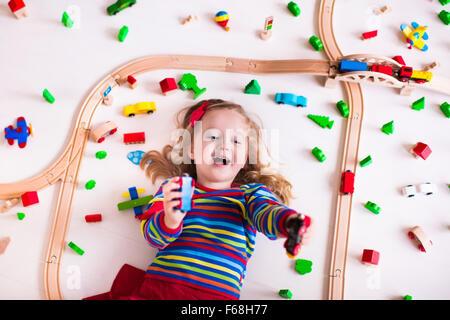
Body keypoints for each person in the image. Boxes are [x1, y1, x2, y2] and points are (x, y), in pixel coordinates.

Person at [84, 99, 312, 300]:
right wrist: (170, 220)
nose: (224, 145)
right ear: (191, 150)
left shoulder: (248, 195)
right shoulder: (174, 189)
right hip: (158, 292)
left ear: (245, 158)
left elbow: (267, 212)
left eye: (236, 141)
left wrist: (289, 222)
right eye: (213, 136)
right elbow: (151, 237)